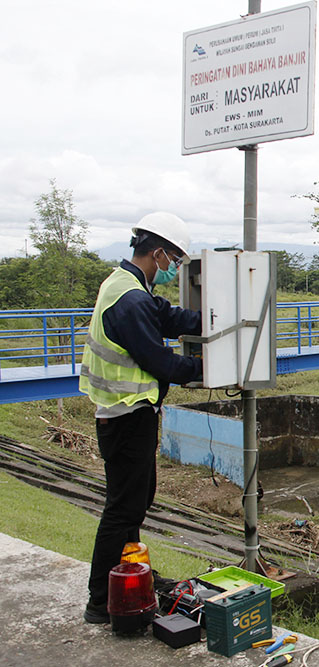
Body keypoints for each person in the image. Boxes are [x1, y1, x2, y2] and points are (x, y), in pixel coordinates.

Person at [79, 212, 203, 625]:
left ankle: (128, 576)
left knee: (134, 504)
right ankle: (102, 599)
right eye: (175, 260)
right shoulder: (130, 299)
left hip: (128, 416)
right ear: (158, 253)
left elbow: (166, 317)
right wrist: (207, 370)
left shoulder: (128, 285)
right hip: (126, 416)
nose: (175, 268)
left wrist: (212, 321)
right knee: (122, 510)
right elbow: (159, 361)